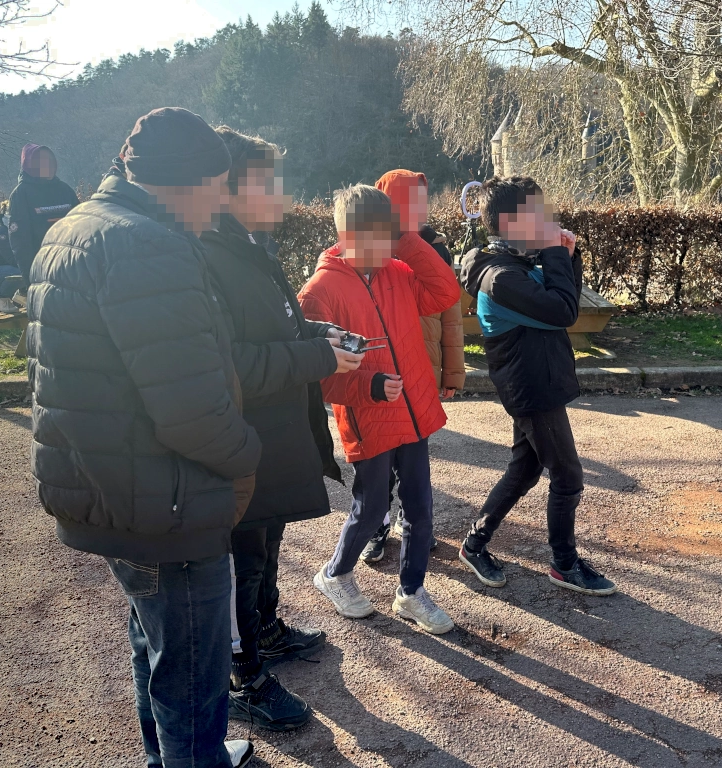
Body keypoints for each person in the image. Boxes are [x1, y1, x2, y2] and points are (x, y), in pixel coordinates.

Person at [27, 107, 261, 768]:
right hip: (168, 505)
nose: (220, 204)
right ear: (183, 180)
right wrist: (247, 456)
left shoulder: (77, 227)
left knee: (156, 645)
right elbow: (190, 411)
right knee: (192, 678)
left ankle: (170, 756)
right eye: (217, 187)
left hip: (112, 494)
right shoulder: (146, 246)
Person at [200, 127, 365, 731]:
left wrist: (323, 337)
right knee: (244, 554)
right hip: (247, 432)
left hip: (275, 427)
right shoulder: (212, 256)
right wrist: (318, 356)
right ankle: (244, 675)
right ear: (230, 188)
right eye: (268, 182)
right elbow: (234, 361)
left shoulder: (249, 246)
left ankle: (265, 631)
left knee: (267, 541)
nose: (282, 194)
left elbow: (281, 328)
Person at [298, 184, 461, 634]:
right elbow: (316, 373)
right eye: (372, 240)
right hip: (370, 419)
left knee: (421, 509)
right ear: (344, 235)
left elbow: (446, 291)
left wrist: (409, 238)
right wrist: (369, 385)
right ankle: (334, 574)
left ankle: (411, 592)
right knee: (370, 511)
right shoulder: (320, 291)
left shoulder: (398, 269)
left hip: (415, 414)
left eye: (388, 238)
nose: (381, 250)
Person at [457, 176, 617, 596]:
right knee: (568, 476)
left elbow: (565, 300)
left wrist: (567, 256)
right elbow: (562, 311)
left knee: (525, 469)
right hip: (531, 390)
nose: (546, 218)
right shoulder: (501, 276)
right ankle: (564, 564)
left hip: (538, 381)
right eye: (537, 212)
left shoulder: (517, 262)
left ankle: (474, 544)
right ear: (511, 221)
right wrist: (553, 252)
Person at [360, 169, 466, 563]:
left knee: (414, 460)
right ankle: (376, 525)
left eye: (423, 201)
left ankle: (409, 520)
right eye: (411, 202)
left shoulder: (435, 247)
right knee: (378, 459)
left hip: (420, 370)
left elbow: (450, 316)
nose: (420, 209)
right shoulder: (370, 247)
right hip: (382, 368)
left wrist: (451, 371)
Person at [7, 143, 80, 287]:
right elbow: (20, 242)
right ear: (30, 165)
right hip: (43, 268)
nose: (47, 166)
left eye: (50, 161)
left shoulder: (65, 189)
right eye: (41, 162)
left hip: (73, 264)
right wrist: (30, 279)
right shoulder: (21, 194)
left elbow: (82, 223)